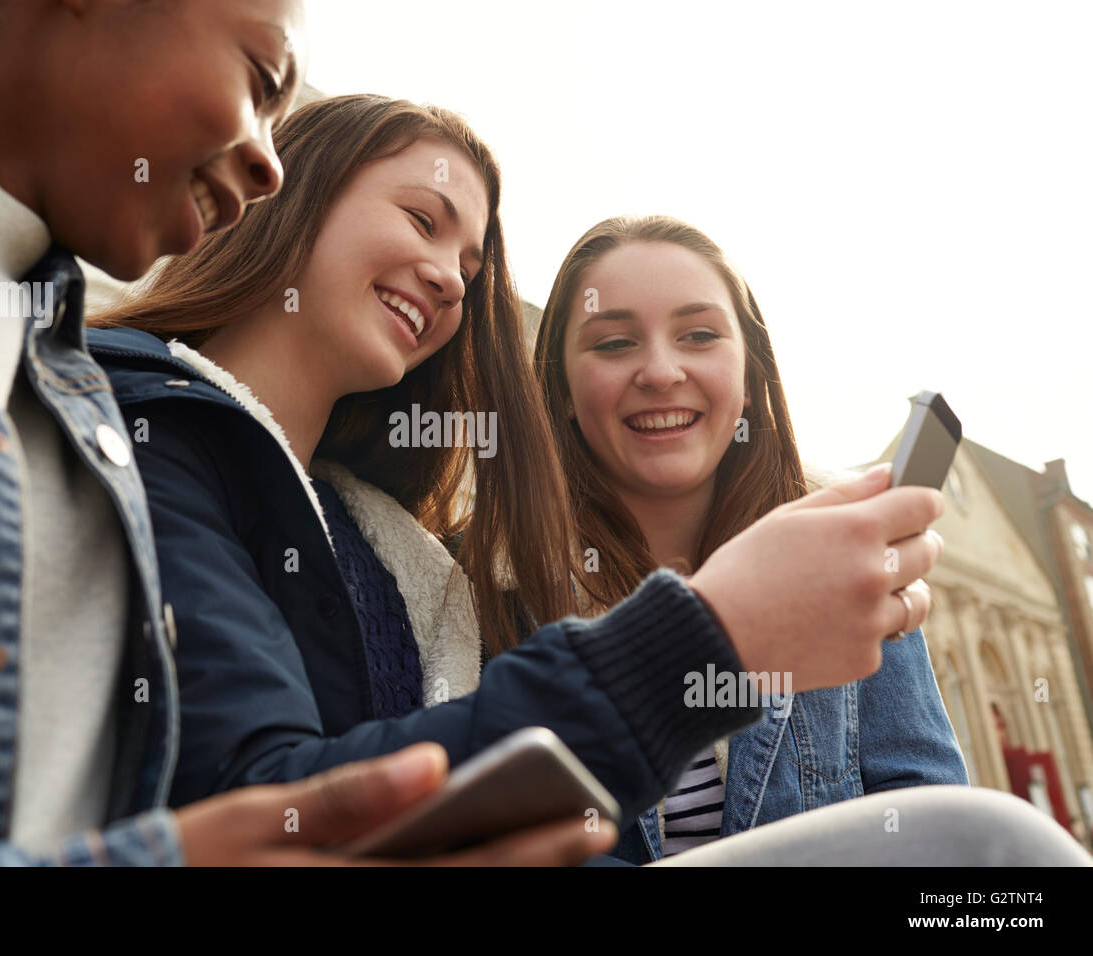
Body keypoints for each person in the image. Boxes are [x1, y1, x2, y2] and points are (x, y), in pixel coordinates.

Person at [0, 0, 610, 868]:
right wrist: (681, 652)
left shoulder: (68, 392)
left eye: (472, 269)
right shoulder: (146, 420)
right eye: (261, 81)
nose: (267, 160)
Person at [85, 94, 947, 841]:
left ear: (755, 374)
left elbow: (942, 835)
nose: (455, 281)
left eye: (472, 265)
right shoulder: (145, 429)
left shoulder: (404, 561)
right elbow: (267, 802)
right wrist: (708, 639)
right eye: (424, 220)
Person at [533, 215, 968, 862]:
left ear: (750, 374)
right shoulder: (492, 587)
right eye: (615, 342)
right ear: (563, 388)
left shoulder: (846, 556)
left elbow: (932, 831)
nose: (659, 370)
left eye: (699, 334)